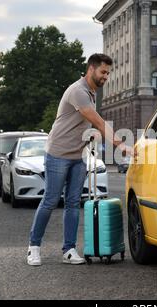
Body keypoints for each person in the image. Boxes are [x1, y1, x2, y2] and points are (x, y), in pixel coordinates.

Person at [27, 53, 134, 266]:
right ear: (91, 69)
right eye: (103, 72)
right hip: (58, 153)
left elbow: (88, 125)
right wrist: (121, 145)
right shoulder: (79, 91)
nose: (106, 77)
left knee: (74, 203)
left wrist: (89, 135)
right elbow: (99, 122)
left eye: (108, 73)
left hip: (78, 155)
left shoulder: (92, 92)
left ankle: (68, 250)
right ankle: (34, 247)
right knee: (50, 200)